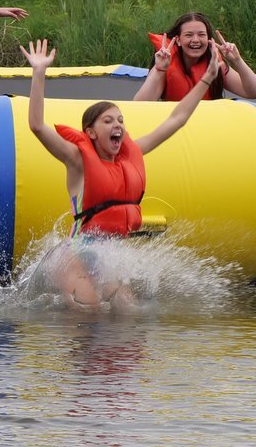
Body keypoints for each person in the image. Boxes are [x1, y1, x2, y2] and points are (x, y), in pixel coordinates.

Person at [19, 37, 219, 309]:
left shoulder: (131, 153)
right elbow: (37, 126)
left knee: (127, 308)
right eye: (108, 120)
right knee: (87, 309)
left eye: (121, 120)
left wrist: (206, 80)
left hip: (108, 254)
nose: (118, 125)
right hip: (75, 254)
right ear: (90, 132)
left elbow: (176, 119)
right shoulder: (76, 159)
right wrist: (39, 72)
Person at [134, 10, 256, 102]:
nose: (195, 40)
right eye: (189, 35)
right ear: (178, 40)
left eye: (201, 35)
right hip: (176, 130)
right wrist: (159, 69)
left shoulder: (215, 65)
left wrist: (237, 61)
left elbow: (254, 92)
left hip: (207, 128)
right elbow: (139, 105)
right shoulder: (164, 66)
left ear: (208, 39)